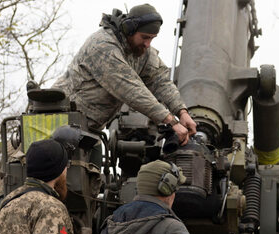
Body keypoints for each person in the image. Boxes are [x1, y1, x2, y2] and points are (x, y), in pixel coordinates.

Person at [54, 3, 197, 145]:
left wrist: (182, 112)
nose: (147, 44)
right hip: (58, 123)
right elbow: (130, 90)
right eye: (144, 37)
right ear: (129, 29)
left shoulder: (142, 53)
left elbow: (160, 81)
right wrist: (171, 121)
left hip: (87, 131)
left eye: (152, 38)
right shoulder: (102, 46)